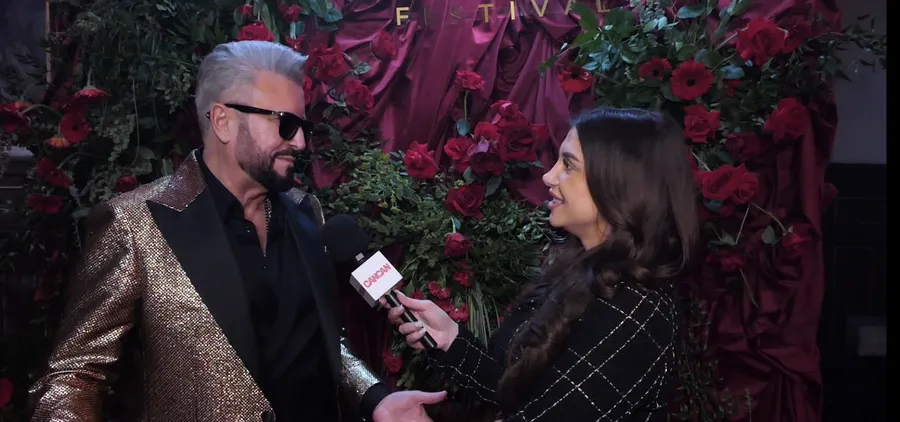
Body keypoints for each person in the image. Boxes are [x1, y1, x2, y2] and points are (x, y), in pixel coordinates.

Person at [29, 40, 444, 422]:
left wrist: (375, 398)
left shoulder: (307, 212)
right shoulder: (133, 224)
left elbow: (320, 343)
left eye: (303, 126)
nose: (300, 142)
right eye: (284, 124)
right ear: (223, 121)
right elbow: (74, 377)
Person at [384, 107, 699, 421]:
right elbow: (517, 391)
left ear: (618, 183)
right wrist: (451, 340)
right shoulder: (579, 271)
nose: (549, 176)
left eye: (568, 165)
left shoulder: (636, 311)